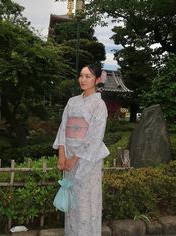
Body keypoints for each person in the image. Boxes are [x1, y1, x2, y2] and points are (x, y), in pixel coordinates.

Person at [53, 64, 110, 236]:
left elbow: (94, 136)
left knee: (86, 202)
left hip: (87, 160)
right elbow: (63, 127)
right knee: (72, 202)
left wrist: (74, 158)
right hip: (69, 155)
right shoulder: (72, 102)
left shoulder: (99, 105)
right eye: (81, 76)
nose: (83, 80)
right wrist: (62, 155)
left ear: (96, 80)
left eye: (88, 76)